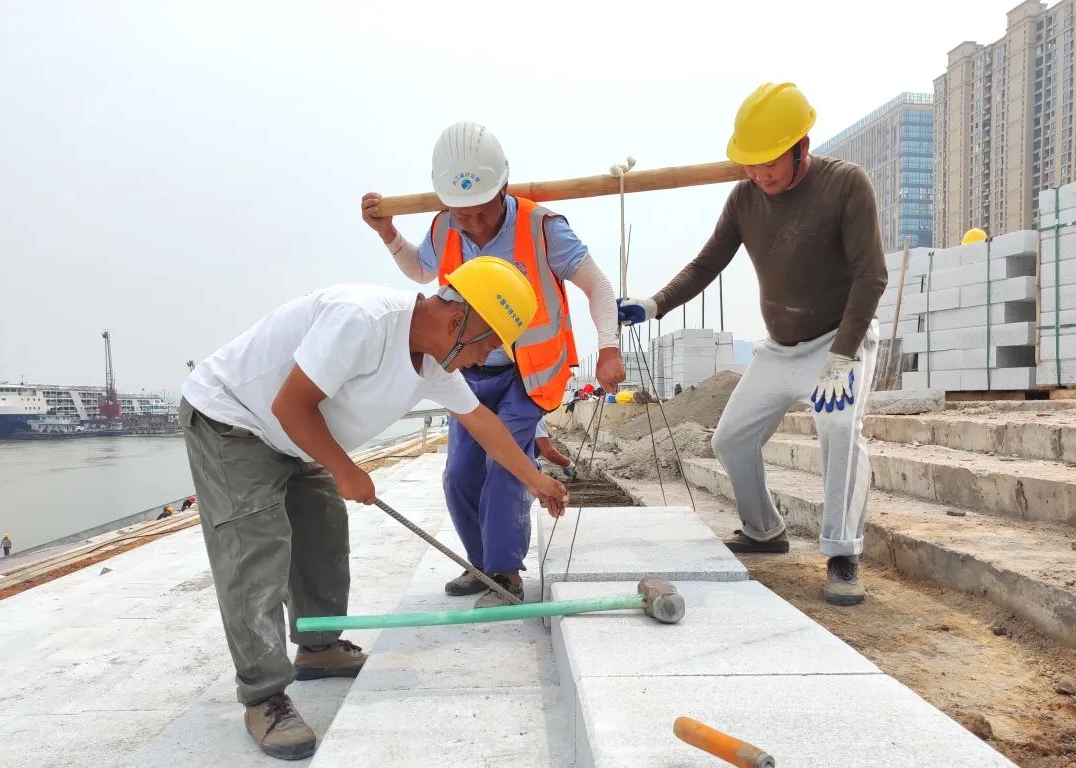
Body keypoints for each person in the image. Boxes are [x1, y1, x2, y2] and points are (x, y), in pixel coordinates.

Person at [179, 258, 568, 761]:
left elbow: (483, 424)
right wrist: (345, 470)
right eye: (487, 346)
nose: (480, 361)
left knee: (323, 536)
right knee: (255, 552)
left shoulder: (434, 362)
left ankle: (318, 649)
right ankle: (263, 696)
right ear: (458, 322)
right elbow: (290, 405)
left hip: (294, 435)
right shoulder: (363, 319)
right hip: (233, 420)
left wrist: (537, 480)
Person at [619, 82, 886, 607]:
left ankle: (842, 554)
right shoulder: (744, 198)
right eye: (750, 163)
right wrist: (653, 305)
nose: (759, 174)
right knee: (730, 440)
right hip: (779, 349)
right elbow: (706, 264)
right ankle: (764, 531)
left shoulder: (845, 185)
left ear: (801, 147)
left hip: (838, 342)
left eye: (769, 163)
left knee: (839, 428)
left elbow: (870, 277)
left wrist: (842, 358)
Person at [362, 121, 625, 608]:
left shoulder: (543, 227)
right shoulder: (444, 226)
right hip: (467, 371)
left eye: (484, 212)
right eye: (464, 216)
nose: (476, 225)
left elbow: (598, 286)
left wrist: (608, 346)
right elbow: (420, 270)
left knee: (506, 467)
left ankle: (506, 574)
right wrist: (389, 235)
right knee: (460, 474)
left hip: (530, 375)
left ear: (504, 188)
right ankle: (482, 565)